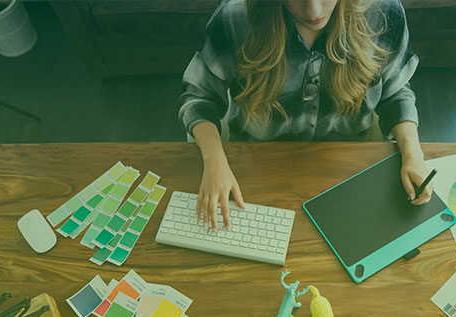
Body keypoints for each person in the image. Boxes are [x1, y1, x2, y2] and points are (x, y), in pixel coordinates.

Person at [180, 0, 433, 232]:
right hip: (253, 167)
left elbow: (395, 91)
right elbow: (199, 98)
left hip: (346, 168)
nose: (314, 12)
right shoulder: (233, 19)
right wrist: (215, 162)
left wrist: (413, 154)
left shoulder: (384, 13)